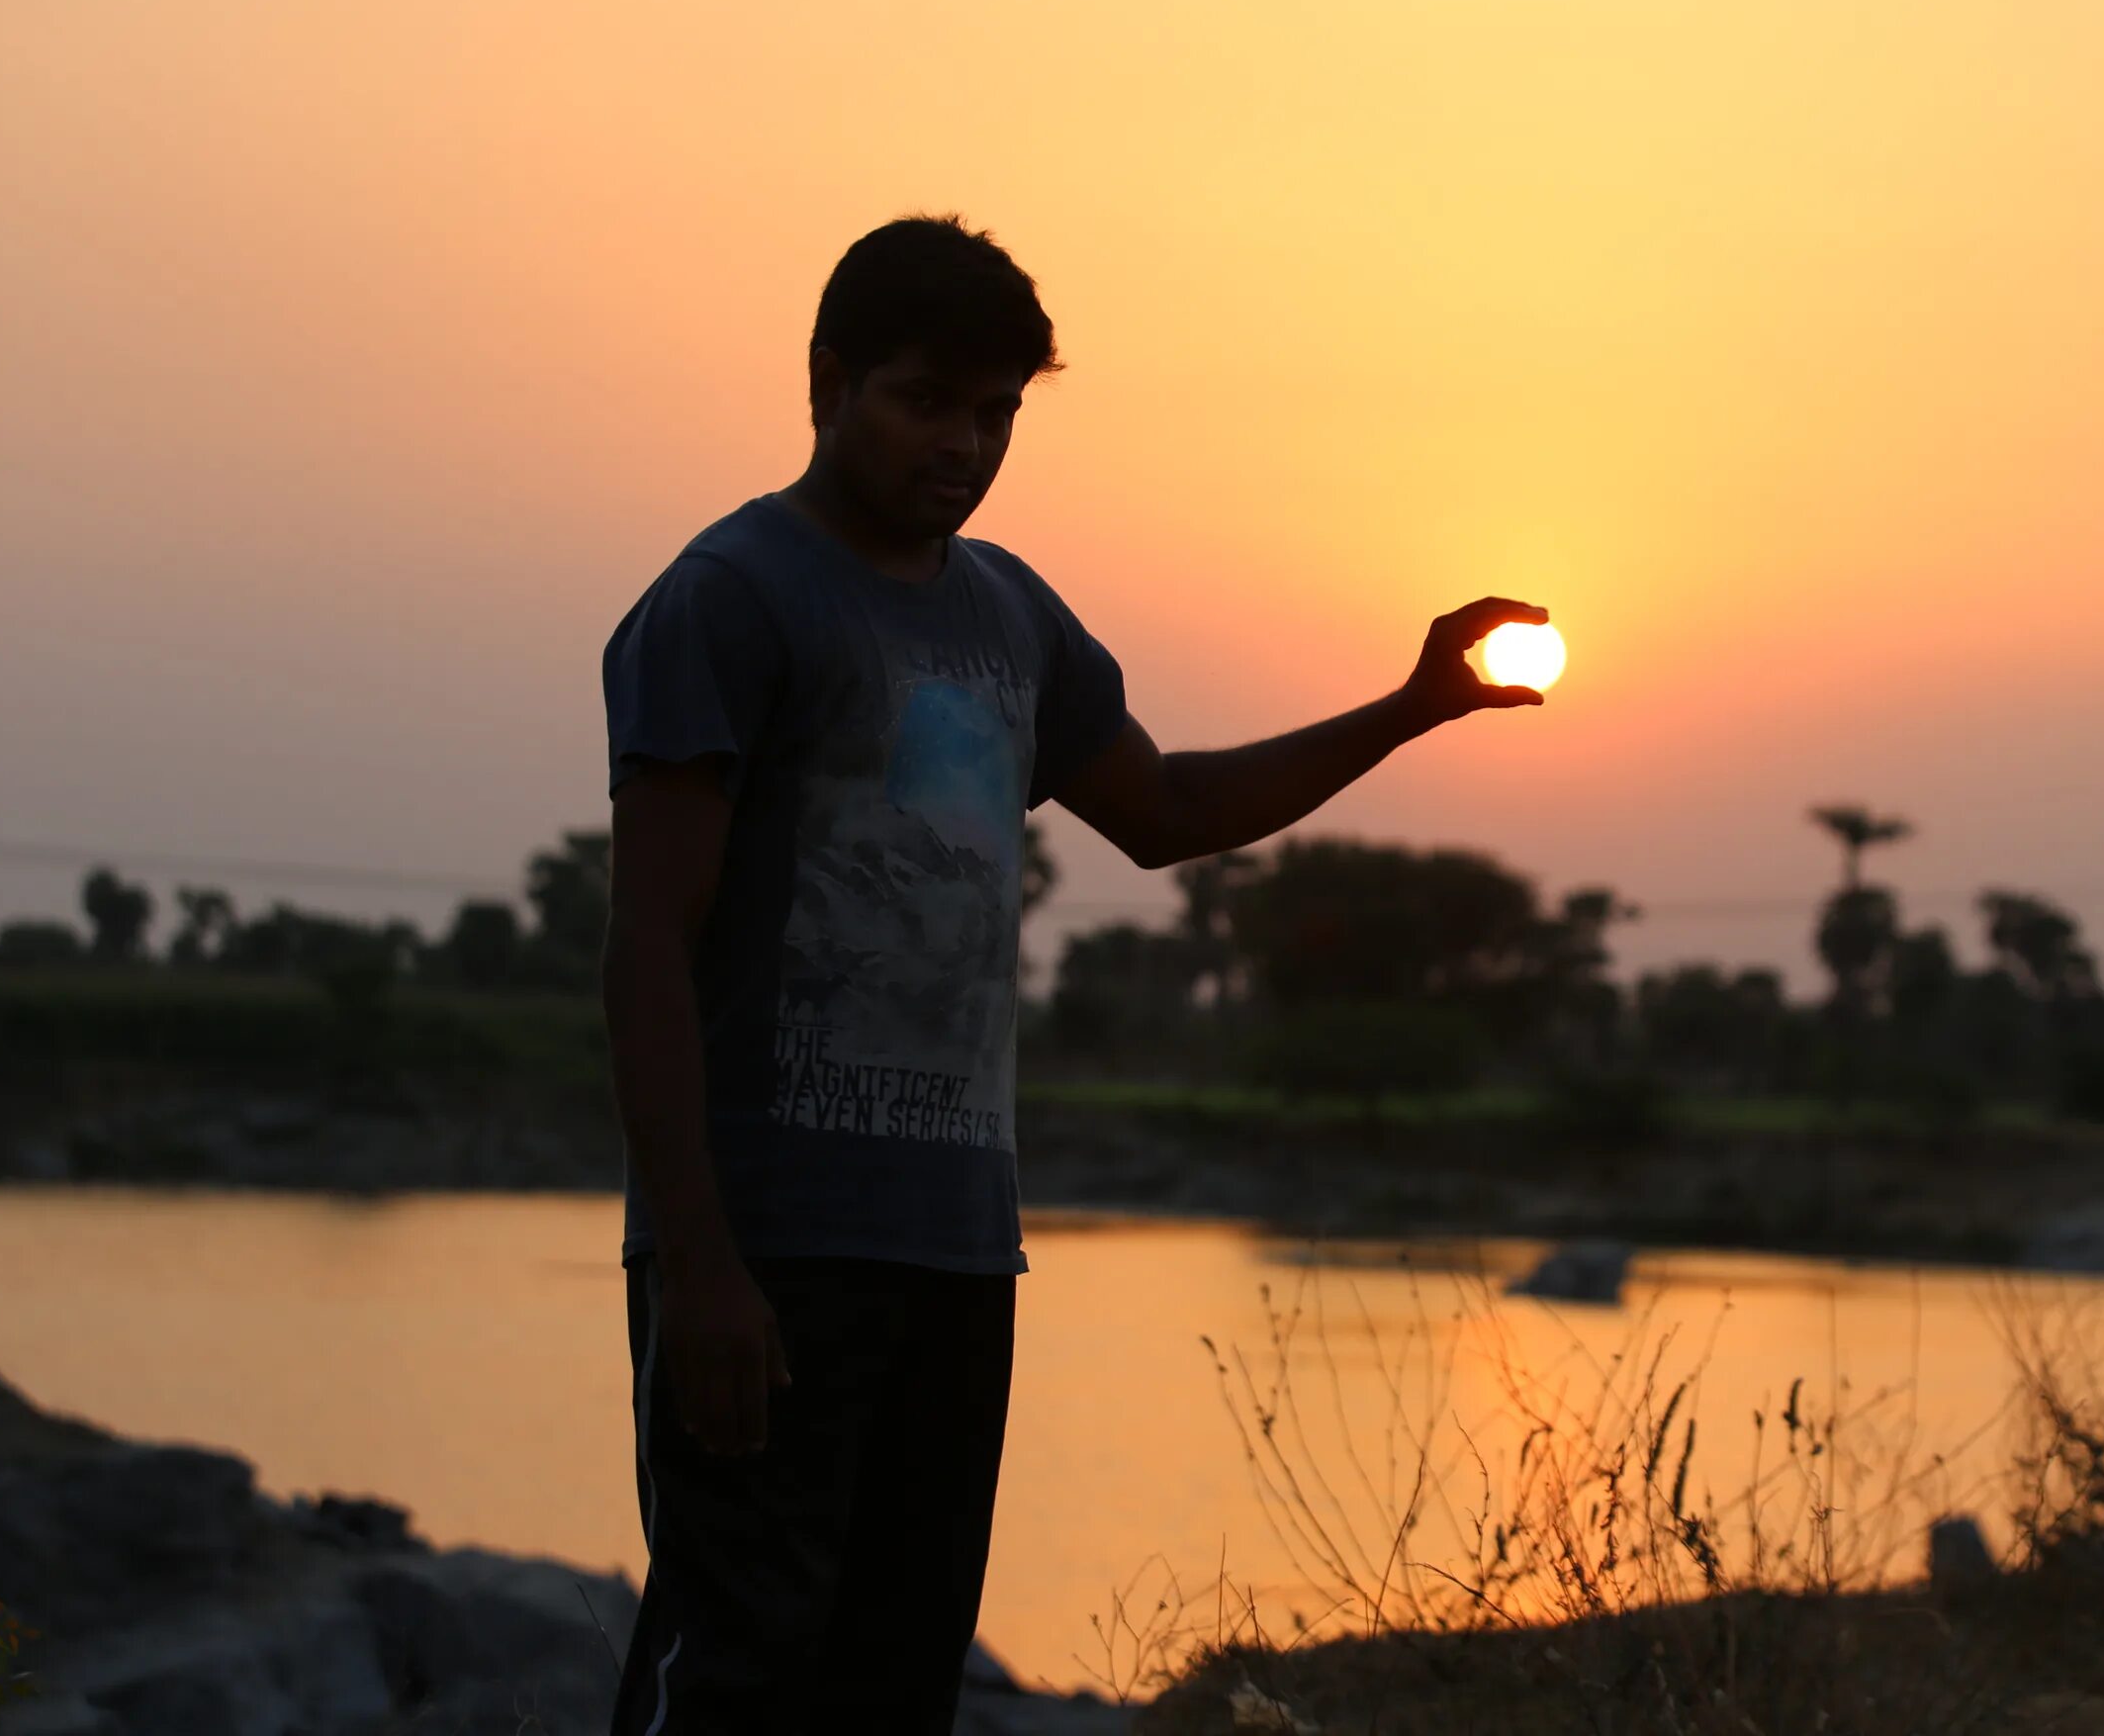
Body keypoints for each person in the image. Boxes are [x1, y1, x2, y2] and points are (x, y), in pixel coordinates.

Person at [599, 215, 1546, 1732]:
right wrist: (699, 1264)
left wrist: (1416, 704)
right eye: (926, 401)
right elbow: (648, 941)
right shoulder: (730, 597)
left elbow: (1167, 814)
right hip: (769, 1252)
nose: (964, 446)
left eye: (998, 415)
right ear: (828, 383)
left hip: (959, 1247)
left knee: (894, 1684)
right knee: (736, 1681)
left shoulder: (1010, 614)